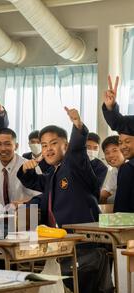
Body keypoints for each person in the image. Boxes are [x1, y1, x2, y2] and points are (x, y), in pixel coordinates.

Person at [17, 108, 100, 227]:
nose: (48, 148)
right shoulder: (53, 174)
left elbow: (76, 149)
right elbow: (35, 181)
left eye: (53, 143)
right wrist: (25, 170)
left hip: (83, 237)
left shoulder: (74, 164)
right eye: (44, 145)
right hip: (58, 236)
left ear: (66, 145)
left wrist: (78, 124)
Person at [0, 128, 40, 206]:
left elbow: (39, 197)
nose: (3, 149)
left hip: (26, 213)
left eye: (8, 144)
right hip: (1, 215)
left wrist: (22, 205)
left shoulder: (30, 166)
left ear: (16, 146)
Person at [102, 76, 134, 212]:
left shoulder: (128, 169)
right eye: (121, 142)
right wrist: (111, 107)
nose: (123, 146)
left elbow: (122, 212)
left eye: (127, 142)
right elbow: (123, 125)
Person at [100, 136, 125, 204]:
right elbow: (106, 191)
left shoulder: (129, 168)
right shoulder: (116, 170)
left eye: (115, 150)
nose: (111, 155)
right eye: (107, 153)